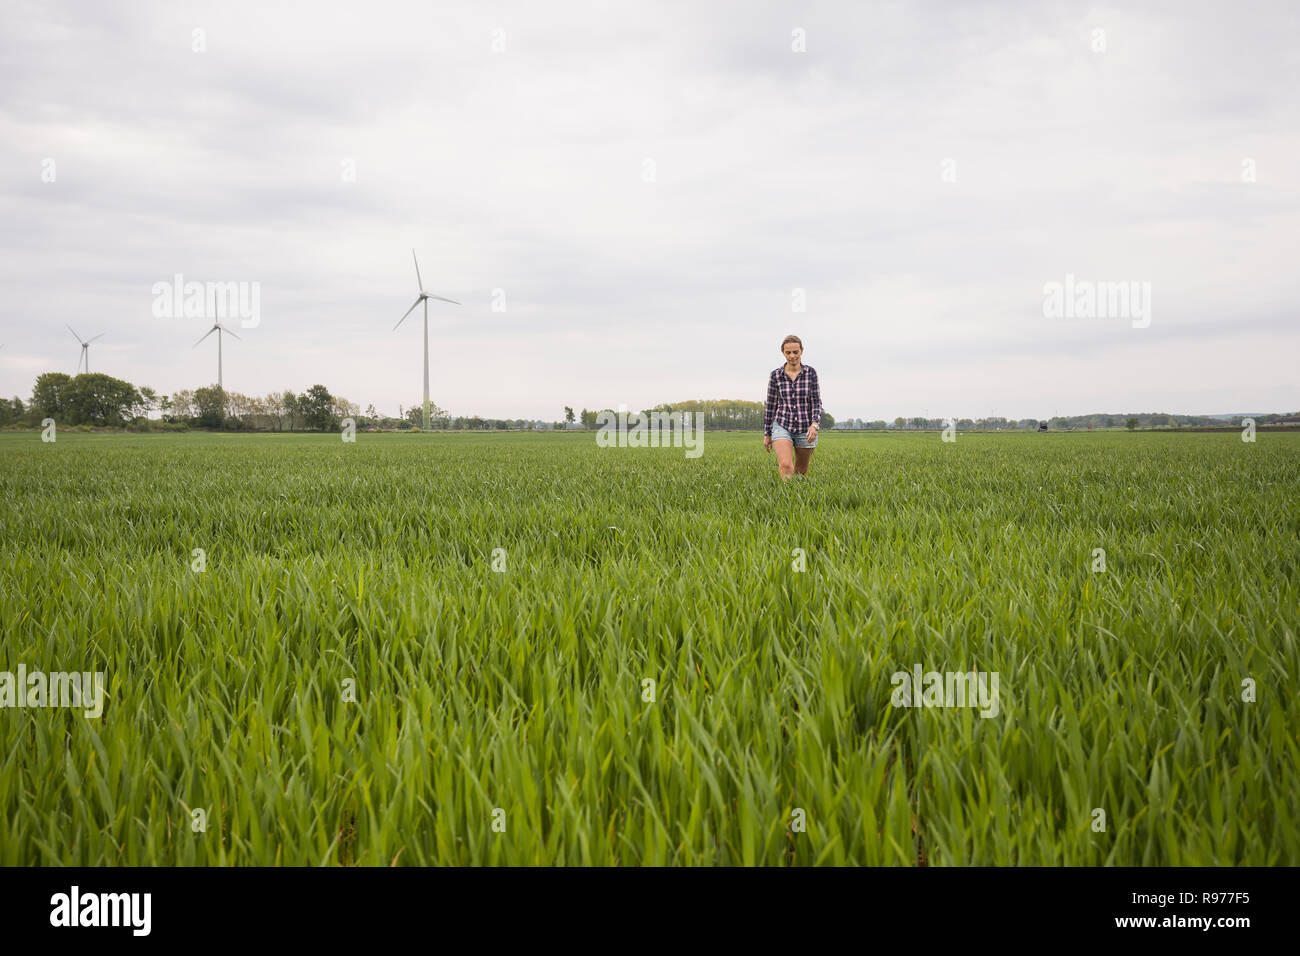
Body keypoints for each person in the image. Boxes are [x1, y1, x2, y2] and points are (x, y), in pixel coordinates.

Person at [763, 334, 822, 480]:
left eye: (795, 352)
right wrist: (767, 434)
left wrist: (814, 424)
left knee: (801, 471)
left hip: (805, 428)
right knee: (786, 465)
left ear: (801, 351)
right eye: (788, 352)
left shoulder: (811, 373)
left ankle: (797, 500)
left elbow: (816, 401)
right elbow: (771, 405)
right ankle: (785, 499)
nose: (792, 356)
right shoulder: (776, 375)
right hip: (782, 425)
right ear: (783, 352)